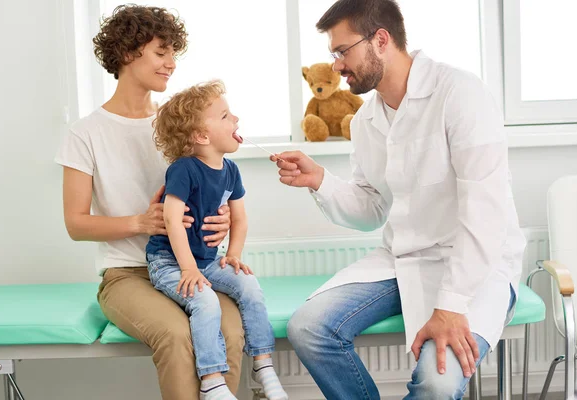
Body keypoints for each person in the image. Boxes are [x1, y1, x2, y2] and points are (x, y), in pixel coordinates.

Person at [271, 0, 527, 399]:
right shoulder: (364, 121)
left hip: (477, 262)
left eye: (342, 51)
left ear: (381, 40)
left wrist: (451, 305)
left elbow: (485, 211)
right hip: (404, 257)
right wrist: (319, 180)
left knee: (437, 383)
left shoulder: (459, 92)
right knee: (308, 327)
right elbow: (372, 208)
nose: (337, 65)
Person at [55, 6, 244, 400]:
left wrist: (222, 217)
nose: (172, 63)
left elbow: (212, 189)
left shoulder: (181, 126)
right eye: (162, 52)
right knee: (176, 335)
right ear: (127, 53)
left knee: (230, 330)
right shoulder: (86, 133)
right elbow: (76, 224)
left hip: (191, 266)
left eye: (174, 53)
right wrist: (141, 223)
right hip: (127, 275)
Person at [145, 80, 287, 400]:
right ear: (202, 136)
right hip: (169, 262)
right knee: (206, 301)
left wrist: (233, 254)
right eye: (225, 116)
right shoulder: (183, 170)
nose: (235, 119)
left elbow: (240, 218)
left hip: (208, 261)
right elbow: (170, 219)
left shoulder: (231, 170)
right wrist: (188, 269)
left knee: (248, 283)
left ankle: (263, 363)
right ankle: (212, 381)